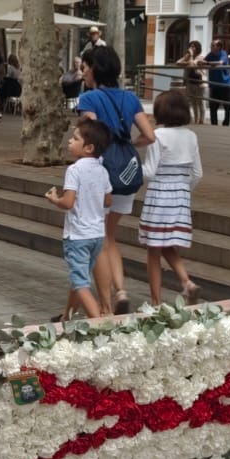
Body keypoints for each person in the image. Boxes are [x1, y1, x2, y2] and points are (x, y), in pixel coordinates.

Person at [76, 44, 155, 314]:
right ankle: (120, 290)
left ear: (95, 69)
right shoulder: (130, 98)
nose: (83, 73)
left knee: (98, 239)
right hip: (126, 174)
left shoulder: (88, 99)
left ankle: (105, 304)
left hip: (100, 175)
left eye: (85, 67)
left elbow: (91, 136)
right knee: (110, 236)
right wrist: (129, 143)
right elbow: (150, 135)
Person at [139, 89, 203, 304]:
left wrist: (129, 168)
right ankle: (186, 282)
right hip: (180, 196)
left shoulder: (157, 136)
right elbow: (197, 173)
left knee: (154, 249)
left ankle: (156, 302)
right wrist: (183, 190)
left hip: (158, 196)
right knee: (167, 244)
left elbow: (149, 171)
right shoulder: (191, 136)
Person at [44, 117, 111, 320]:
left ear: (88, 148)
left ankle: (99, 323)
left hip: (77, 235)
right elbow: (108, 200)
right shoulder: (102, 170)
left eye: (75, 138)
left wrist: (54, 199)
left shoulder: (74, 170)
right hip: (97, 234)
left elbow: (68, 202)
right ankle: (67, 316)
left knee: (81, 283)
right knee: (80, 277)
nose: (70, 141)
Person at [202, 36, 230, 126]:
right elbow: (202, 61)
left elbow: (220, 62)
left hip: (226, 84)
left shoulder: (223, 53)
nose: (211, 47)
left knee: (227, 107)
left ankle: (226, 124)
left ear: (219, 47)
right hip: (214, 84)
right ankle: (214, 124)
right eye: (211, 45)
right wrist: (206, 62)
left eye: (213, 45)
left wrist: (208, 63)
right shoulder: (210, 55)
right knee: (213, 106)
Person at [177, 40, 206, 124]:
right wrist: (187, 56)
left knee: (201, 102)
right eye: (190, 46)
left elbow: (192, 65)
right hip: (190, 81)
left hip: (200, 82)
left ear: (198, 48)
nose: (191, 48)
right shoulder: (189, 56)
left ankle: (202, 120)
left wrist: (191, 56)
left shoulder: (201, 57)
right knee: (193, 102)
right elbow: (178, 62)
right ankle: (196, 119)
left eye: (193, 46)